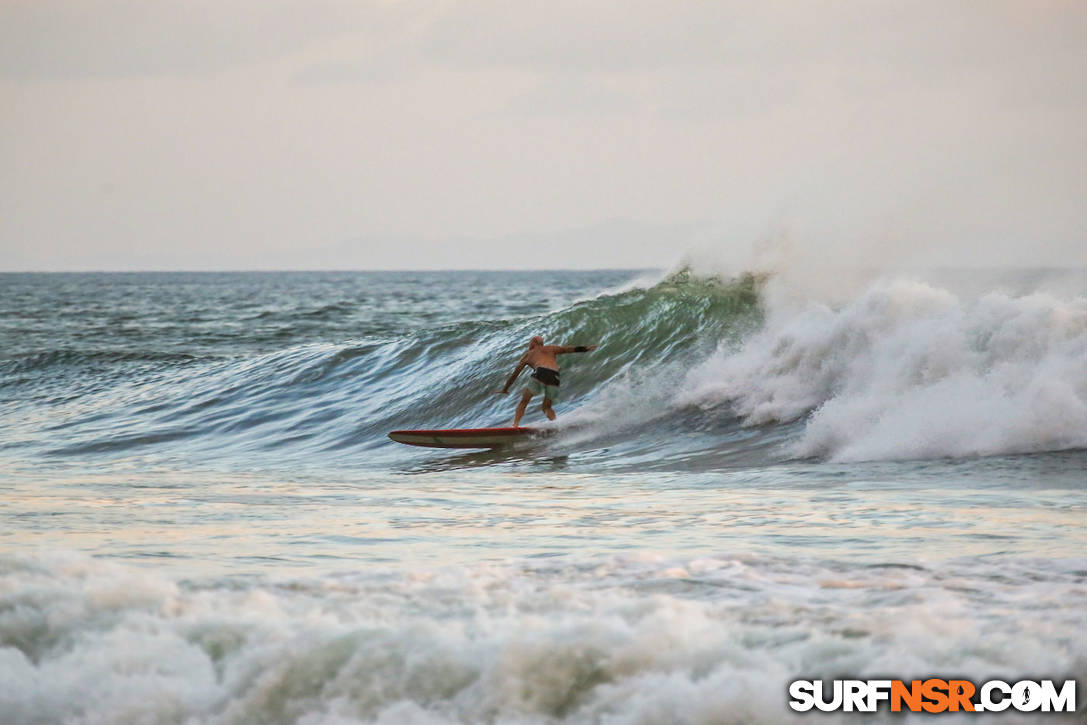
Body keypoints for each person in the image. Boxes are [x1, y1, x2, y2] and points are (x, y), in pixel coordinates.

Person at [494, 335, 597, 427]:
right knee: (546, 407)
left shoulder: (529, 354)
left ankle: (515, 425)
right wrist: (585, 348)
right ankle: (556, 426)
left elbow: (515, 374)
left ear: (533, 343)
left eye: (530, 342)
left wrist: (505, 389)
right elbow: (567, 349)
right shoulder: (551, 348)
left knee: (524, 401)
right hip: (554, 375)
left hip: (540, 372)